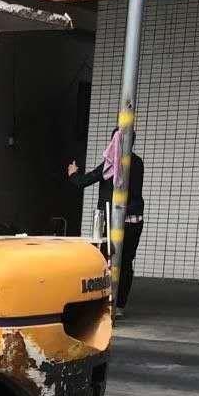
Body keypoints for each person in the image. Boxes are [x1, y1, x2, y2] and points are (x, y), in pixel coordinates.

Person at [68, 128, 145, 314]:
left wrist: (73, 173)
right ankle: (119, 305)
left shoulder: (110, 165)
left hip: (113, 221)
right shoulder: (138, 162)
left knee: (106, 259)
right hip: (134, 221)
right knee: (126, 262)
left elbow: (82, 182)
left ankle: (106, 301)